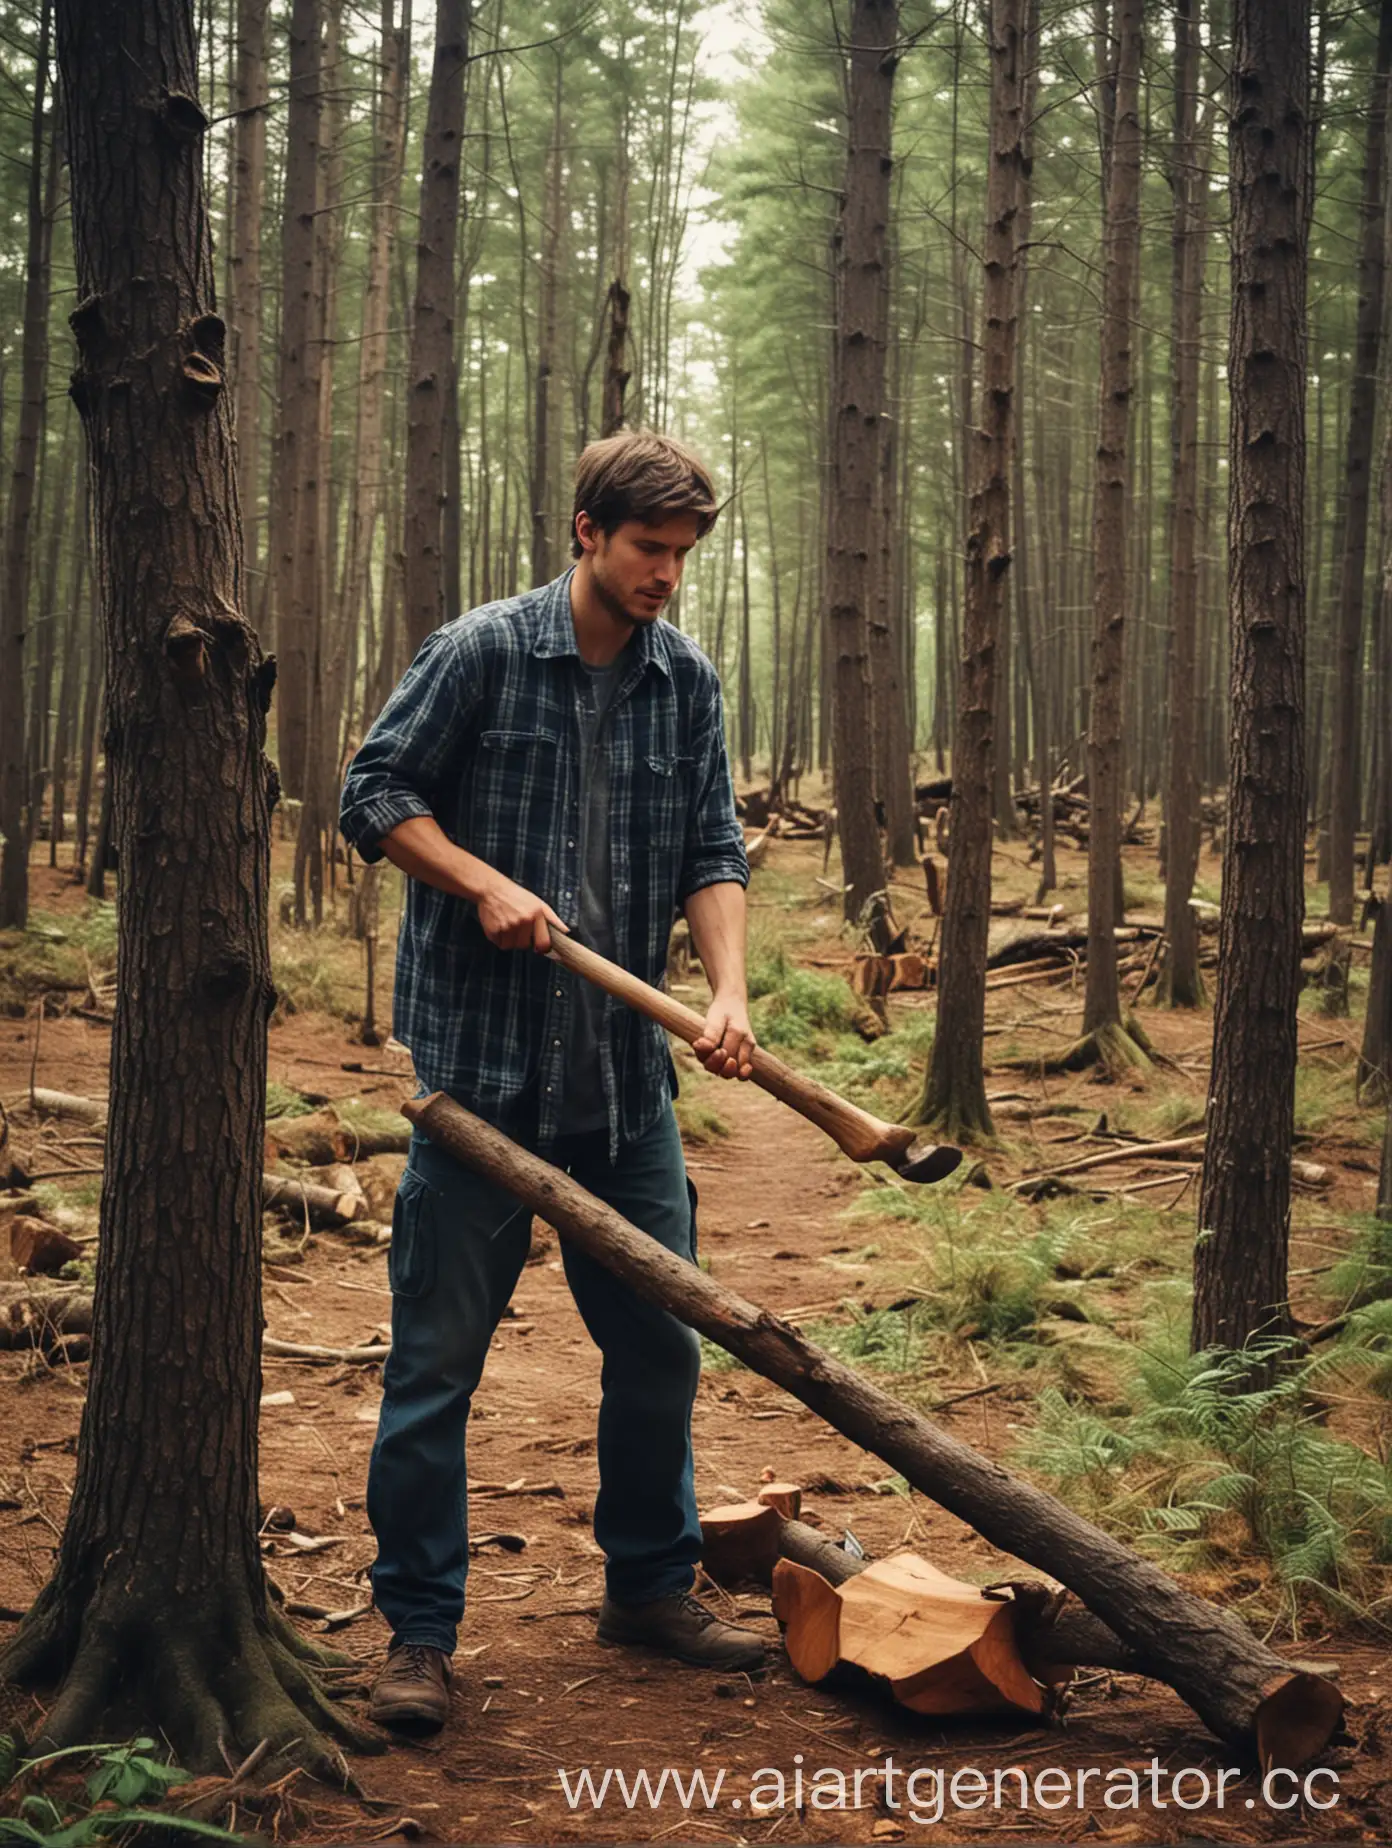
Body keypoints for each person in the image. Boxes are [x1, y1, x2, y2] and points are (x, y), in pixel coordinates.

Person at [339, 430, 766, 1735]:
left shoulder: (681, 680)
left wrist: (728, 991)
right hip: (478, 1092)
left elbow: (712, 844)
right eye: (649, 551)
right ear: (585, 532)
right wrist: (478, 881)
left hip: (624, 1099)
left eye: (686, 557)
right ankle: (417, 1633)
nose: (667, 578)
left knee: (656, 1355)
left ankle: (646, 1585)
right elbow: (371, 795)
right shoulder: (480, 653)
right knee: (434, 1375)